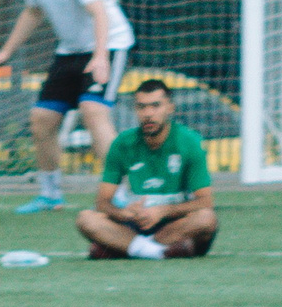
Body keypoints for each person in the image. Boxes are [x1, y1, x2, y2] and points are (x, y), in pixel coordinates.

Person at [0, 0, 132, 212]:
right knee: (42, 120)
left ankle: (121, 192)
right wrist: (6, 52)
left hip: (110, 44)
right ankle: (50, 195)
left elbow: (99, 12)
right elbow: (33, 12)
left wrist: (101, 57)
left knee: (93, 111)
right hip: (69, 51)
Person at [76, 78, 218, 258]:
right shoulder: (122, 144)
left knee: (206, 219)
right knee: (86, 219)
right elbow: (103, 203)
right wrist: (124, 213)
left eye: (155, 106)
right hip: (136, 225)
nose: (148, 113)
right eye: (142, 107)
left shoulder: (190, 141)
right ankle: (158, 252)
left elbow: (205, 202)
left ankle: (125, 247)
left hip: (174, 225)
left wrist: (163, 211)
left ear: (170, 108)